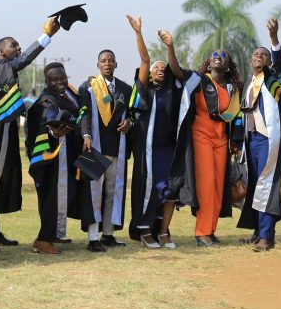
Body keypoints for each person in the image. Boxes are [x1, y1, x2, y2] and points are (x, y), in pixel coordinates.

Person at [0, 17, 60, 246]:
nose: (17, 48)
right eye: (13, 45)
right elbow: (23, 60)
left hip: (4, 127)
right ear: (0, 51)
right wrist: (46, 35)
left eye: (18, 45)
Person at [165, 40, 244, 247]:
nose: (218, 55)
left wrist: (236, 144)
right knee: (207, 186)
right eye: (215, 54)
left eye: (223, 55)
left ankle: (210, 230)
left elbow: (236, 118)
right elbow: (176, 71)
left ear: (228, 66)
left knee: (219, 187)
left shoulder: (233, 89)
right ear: (209, 63)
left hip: (222, 141)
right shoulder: (198, 80)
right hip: (201, 138)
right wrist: (171, 47)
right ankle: (202, 233)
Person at [126, 16, 183, 249]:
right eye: (156, 68)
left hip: (169, 149)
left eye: (163, 68)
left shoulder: (173, 91)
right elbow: (144, 59)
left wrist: (170, 46)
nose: (160, 69)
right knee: (149, 187)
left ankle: (163, 231)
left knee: (170, 190)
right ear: (149, 75)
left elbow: (176, 69)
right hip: (147, 150)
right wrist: (138, 32)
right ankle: (145, 230)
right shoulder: (145, 91)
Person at [236, 19, 281, 252]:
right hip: (251, 140)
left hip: (269, 137)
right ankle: (258, 232)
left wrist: (274, 40)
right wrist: (239, 143)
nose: (259, 56)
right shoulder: (249, 82)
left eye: (263, 55)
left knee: (268, 183)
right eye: (256, 54)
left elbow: (280, 63)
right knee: (256, 185)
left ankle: (267, 236)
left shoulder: (274, 78)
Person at [24, 62, 83, 255]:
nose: (59, 82)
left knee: (62, 195)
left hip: (65, 152)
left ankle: (54, 233)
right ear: (47, 82)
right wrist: (53, 129)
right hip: (52, 155)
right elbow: (48, 117)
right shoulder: (48, 99)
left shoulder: (67, 95)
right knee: (51, 197)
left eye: (62, 78)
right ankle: (43, 240)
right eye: (54, 79)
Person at [78, 49, 133, 251]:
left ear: (116, 65)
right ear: (98, 65)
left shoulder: (126, 89)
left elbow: (134, 115)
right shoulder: (89, 87)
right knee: (93, 192)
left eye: (111, 61)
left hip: (117, 146)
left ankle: (108, 233)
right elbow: (84, 114)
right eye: (103, 61)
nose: (107, 64)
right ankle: (93, 237)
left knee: (113, 191)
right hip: (94, 146)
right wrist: (85, 135)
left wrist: (129, 122)